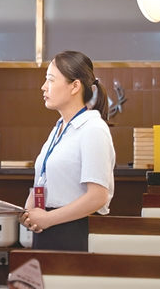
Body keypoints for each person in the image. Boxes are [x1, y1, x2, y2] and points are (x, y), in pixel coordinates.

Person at [20, 50, 115, 251]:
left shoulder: (93, 128)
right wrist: (29, 210)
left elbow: (98, 196)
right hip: (47, 227)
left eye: (50, 80)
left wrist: (48, 218)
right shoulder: (59, 128)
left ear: (75, 86)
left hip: (73, 231)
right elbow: (44, 179)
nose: (43, 87)